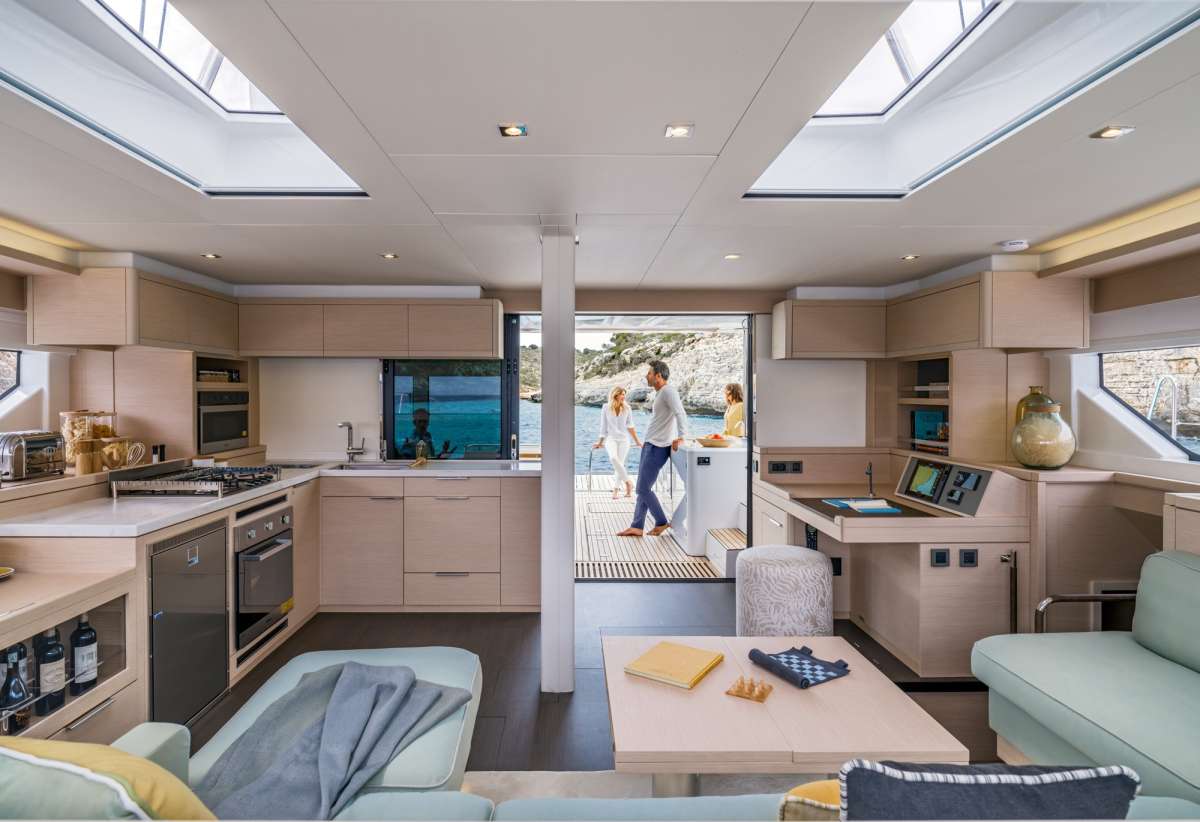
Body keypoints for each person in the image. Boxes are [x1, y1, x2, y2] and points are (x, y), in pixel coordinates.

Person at [618, 360, 688, 537]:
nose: (646, 376)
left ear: (658, 375)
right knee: (643, 487)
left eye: (649, 373)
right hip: (651, 444)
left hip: (657, 447)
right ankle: (637, 526)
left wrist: (681, 436)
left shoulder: (668, 391)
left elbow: (680, 413)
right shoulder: (661, 393)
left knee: (642, 489)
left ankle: (661, 521)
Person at [593, 386, 641, 500]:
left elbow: (630, 426)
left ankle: (615, 490)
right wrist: (600, 442)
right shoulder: (605, 407)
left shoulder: (627, 408)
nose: (624, 396)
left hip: (624, 440)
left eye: (624, 394)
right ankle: (628, 482)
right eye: (622, 394)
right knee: (614, 458)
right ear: (616, 395)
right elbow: (603, 427)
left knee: (620, 464)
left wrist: (638, 441)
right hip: (611, 439)